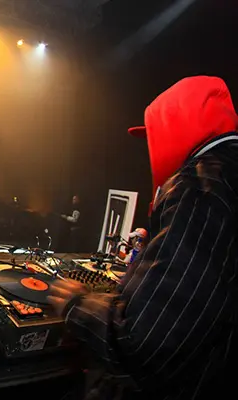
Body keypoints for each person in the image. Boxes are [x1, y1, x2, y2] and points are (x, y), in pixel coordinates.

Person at [49, 76, 238, 399]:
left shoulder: (199, 188)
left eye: (153, 136)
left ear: (174, 125)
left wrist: (77, 305)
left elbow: (142, 344)